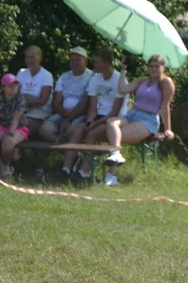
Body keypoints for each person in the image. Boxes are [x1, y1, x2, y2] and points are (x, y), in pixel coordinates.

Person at [102, 54, 176, 186]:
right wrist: (123, 70)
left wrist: (168, 129)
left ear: (163, 67)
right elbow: (122, 89)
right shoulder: (143, 80)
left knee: (117, 137)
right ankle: (115, 156)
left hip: (148, 118)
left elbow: (165, 106)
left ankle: (111, 175)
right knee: (111, 123)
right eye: (151, 66)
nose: (153, 69)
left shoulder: (166, 82)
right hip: (132, 114)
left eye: (157, 66)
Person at [67, 49, 128, 181]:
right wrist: (89, 121)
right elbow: (93, 108)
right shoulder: (95, 79)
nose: (94, 66)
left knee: (92, 133)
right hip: (98, 116)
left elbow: (114, 111)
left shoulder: (119, 80)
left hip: (114, 118)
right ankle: (66, 168)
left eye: (97, 63)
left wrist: (95, 124)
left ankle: (84, 171)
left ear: (107, 63)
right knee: (78, 129)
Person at [40, 47, 93, 162]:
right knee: (45, 130)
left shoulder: (92, 77)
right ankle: (72, 156)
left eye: (78, 60)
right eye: (72, 60)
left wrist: (69, 119)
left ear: (85, 60)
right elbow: (56, 101)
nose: (75, 62)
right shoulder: (64, 76)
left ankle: (70, 157)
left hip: (82, 114)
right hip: (63, 113)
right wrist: (65, 115)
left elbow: (85, 103)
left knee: (70, 131)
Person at [0, 73, 29, 178]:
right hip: (2, 126)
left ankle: (7, 167)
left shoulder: (21, 99)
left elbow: (16, 118)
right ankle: (3, 168)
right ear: (3, 87)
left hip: (19, 127)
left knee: (7, 145)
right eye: (10, 86)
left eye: (15, 86)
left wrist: (10, 134)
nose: (13, 88)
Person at [16, 45, 54, 137]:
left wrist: (24, 96)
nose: (29, 60)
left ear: (40, 58)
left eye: (32, 57)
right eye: (27, 57)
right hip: (22, 109)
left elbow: (42, 101)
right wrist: (29, 98)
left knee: (23, 124)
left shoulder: (46, 75)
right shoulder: (21, 73)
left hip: (40, 111)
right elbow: (15, 95)